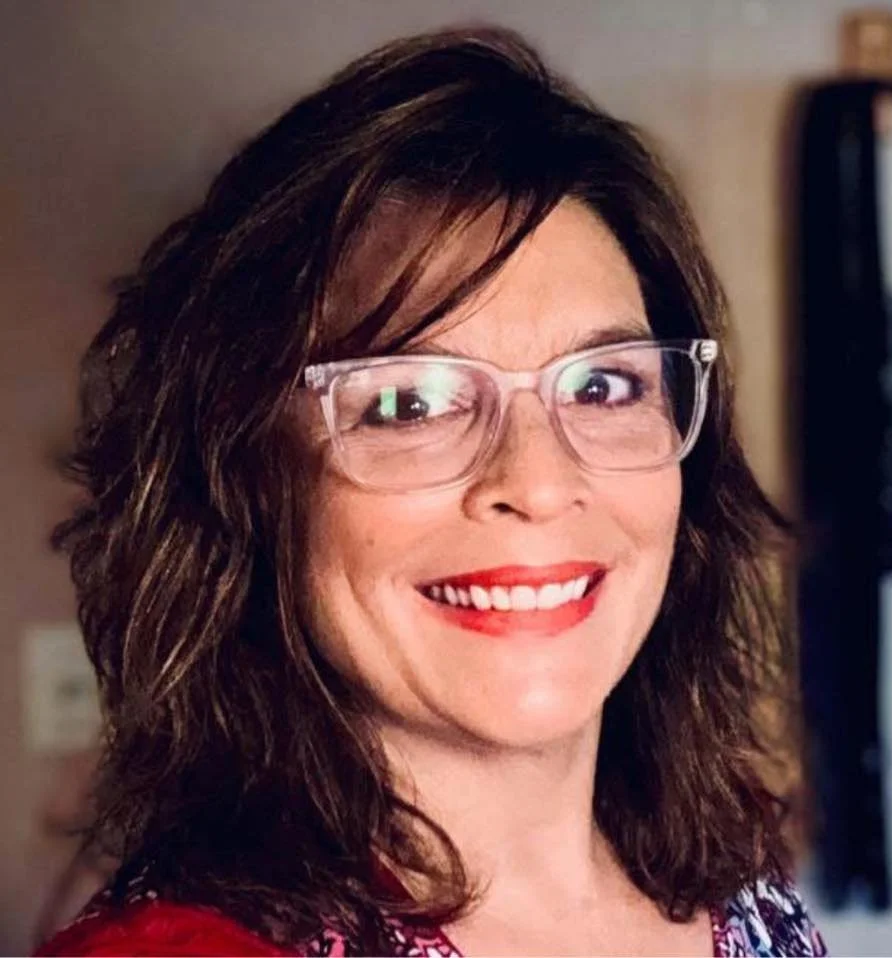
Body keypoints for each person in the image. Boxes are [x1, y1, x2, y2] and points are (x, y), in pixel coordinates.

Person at [36, 26, 827, 958]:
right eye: (412, 402)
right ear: (248, 482)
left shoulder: (742, 887)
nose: (537, 482)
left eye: (605, 385)